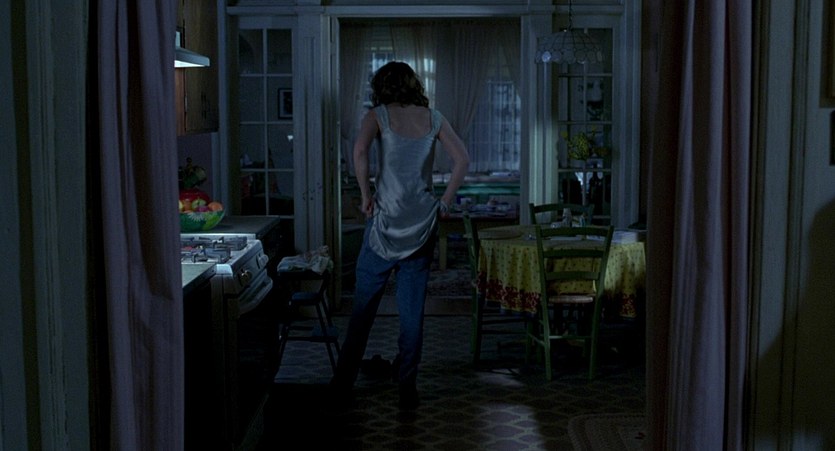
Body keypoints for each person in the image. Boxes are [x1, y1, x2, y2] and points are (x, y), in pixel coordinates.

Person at [330, 61, 469, 410]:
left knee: (362, 311)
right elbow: (462, 159)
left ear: (382, 87)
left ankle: (342, 383)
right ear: (412, 84)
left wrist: (365, 195)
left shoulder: (377, 115)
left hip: (383, 223)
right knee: (411, 314)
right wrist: (445, 202)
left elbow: (359, 152)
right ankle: (407, 386)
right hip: (421, 224)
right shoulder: (433, 118)